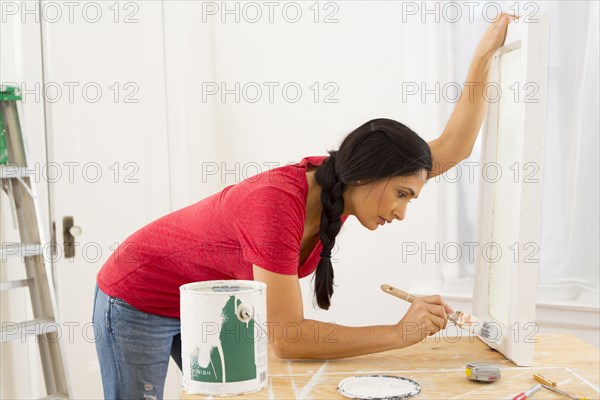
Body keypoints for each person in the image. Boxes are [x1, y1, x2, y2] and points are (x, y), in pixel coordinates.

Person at [92, 14, 516, 399]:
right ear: (367, 173)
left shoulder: (343, 189)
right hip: (139, 295)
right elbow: (288, 338)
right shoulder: (276, 205)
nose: (402, 212)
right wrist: (397, 333)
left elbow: (453, 148)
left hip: (210, 296)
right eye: (402, 194)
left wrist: (482, 59)